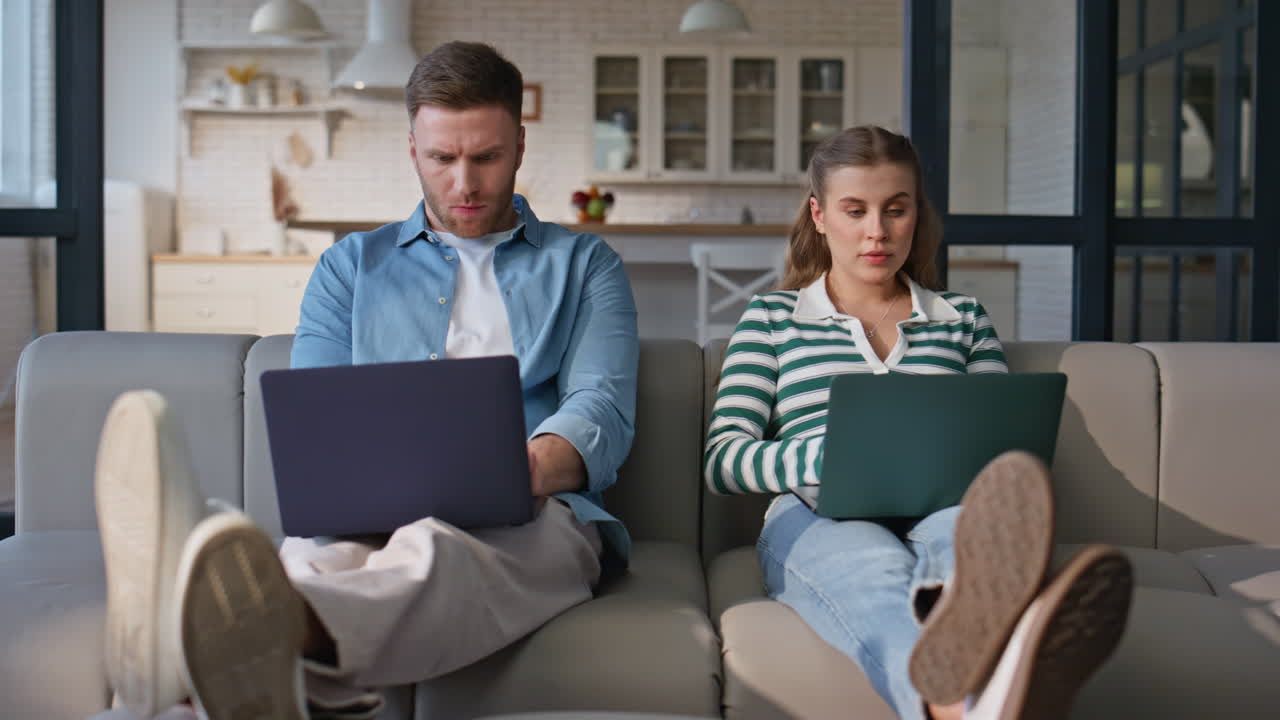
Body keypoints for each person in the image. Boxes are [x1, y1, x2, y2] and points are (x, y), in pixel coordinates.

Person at [93, 41, 638, 720]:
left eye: (486, 157)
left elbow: (603, 409)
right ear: (412, 149)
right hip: (368, 513)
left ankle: (210, 636)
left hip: (536, 512)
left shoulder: (585, 264)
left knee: (436, 550)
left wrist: (511, 471)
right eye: (442, 159)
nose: (464, 183)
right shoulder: (350, 267)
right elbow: (321, 414)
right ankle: (234, 654)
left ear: (520, 146)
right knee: (317, 561)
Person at [703, 125, 1134, 720]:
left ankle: (975, 664)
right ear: (820, 215)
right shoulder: (772, 318)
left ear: (917, 215)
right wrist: (830, 454)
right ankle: (966, 705)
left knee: (968, 553)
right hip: (815, 513)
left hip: (946, 508)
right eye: (854, 210)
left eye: (895, 210)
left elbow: (1004, 447)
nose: (876, 232)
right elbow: (723, 460)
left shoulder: (962, 318)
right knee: (875, 573)